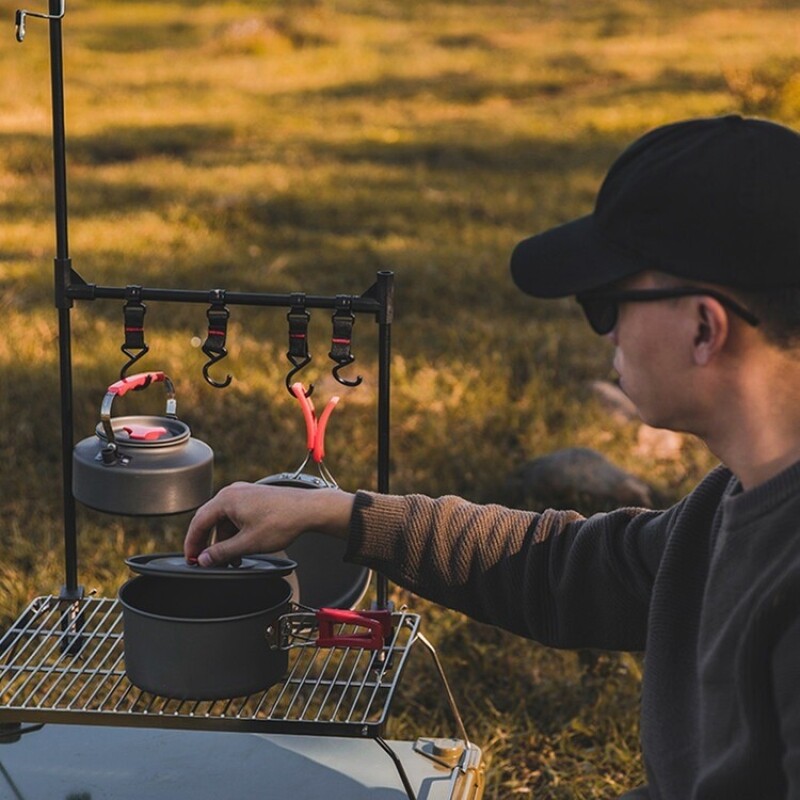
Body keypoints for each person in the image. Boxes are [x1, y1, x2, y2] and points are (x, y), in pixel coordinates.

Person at [184, 114, 800, 799]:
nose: (607, 333)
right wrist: (337, 513)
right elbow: (564, 567)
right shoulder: (733, 503)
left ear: (704, 328)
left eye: (608, 303)